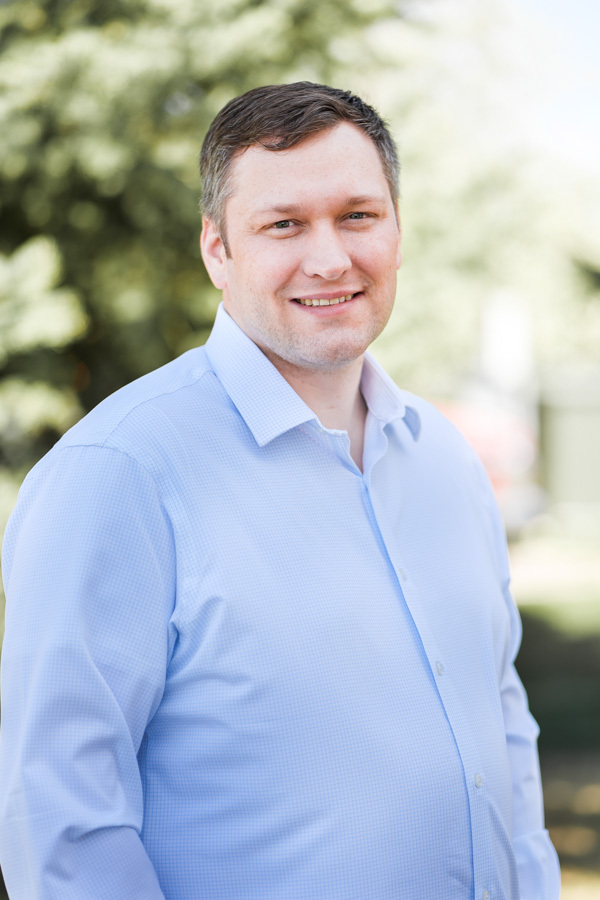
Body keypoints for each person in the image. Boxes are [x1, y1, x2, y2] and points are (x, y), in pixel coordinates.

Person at [0, 82, 560, 899]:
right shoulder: (117, 477)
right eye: (284, 225)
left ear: (398, 230)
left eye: (358, 216)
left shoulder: (445, 460)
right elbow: (61, 823)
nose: (330, 258)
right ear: (217, 250)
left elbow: (503, 732)